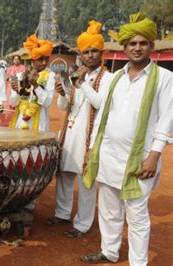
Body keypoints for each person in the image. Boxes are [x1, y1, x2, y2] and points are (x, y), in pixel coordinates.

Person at [80, 13, 172, 265]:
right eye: (132, 43)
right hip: (109, 154)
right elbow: (103, 116)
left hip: (140, 159)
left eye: (143, 43)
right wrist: (91, 150)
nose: (137, 47)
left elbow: (166, 119)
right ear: (125, 47)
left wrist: (154, 156)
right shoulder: (115, 78)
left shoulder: (165, 78)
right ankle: (109, 252)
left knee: (136, 214)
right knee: (108, 210)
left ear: (152, 46)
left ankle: (138, 262)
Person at [47, 21, 114, 238]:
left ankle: (83, 223)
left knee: (86, 183)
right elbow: (65, 107)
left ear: (101, 53)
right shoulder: (76, 75)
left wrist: (82, 81)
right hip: (70, 134)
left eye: (95, 51)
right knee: (65, 177)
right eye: (87, 52)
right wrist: (64, 92)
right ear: (81, 55)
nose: (91, 55)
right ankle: (62, 213)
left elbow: (99, 103)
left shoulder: (108, 78)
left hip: (89, 138)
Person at [8, 34, 57, 133]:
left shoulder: (51, 76)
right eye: (40, 59)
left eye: (46, 59)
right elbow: (13, 103)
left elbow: (47, 103)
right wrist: (16, 92)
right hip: (20, 122)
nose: (44, 63)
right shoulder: (20, 76)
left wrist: (36, 85)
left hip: (40, 125)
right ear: (32, 60)